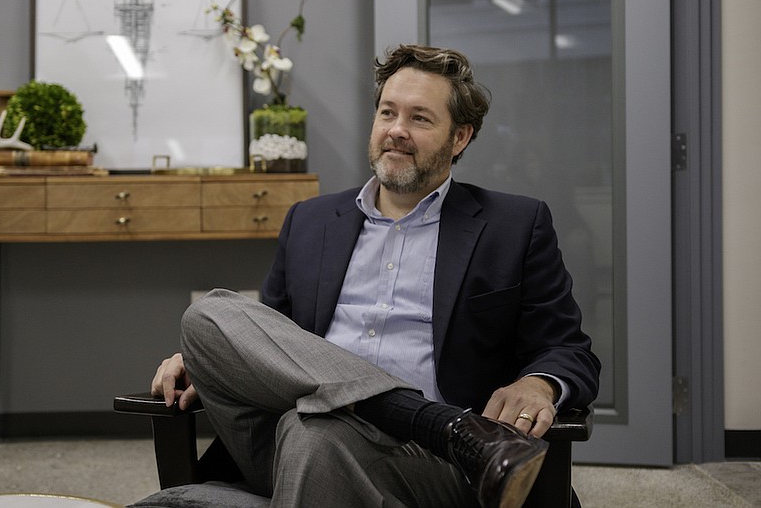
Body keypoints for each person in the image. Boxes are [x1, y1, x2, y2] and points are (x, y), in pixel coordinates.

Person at [152, 44, 600, 507]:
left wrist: (539, 383)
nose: (397, 131)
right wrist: (211, 357)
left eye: (420, 119)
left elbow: (569, 351)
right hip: (286, 437)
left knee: (317, 435)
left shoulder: (513, 226)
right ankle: (443, 425)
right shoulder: (310, 220)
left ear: (460, 137)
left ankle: (435, 430)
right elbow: (275, 339)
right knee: (208, 317)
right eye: (388, 113)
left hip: (430, 466)